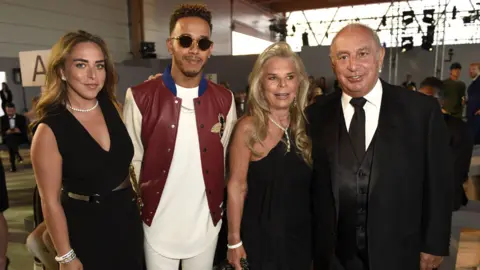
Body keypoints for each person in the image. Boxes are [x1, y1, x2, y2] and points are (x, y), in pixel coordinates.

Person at [307, 24, 453, 270]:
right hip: (334, 256)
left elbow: (439, 182)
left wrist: (434, 243)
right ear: (333, 64)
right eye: (343, 57)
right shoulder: (314, 115)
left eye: (362, 54)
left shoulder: (421, 111)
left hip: (399, 250)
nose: (353, 65)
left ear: (380, 56)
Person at [123, 4, 236, 269]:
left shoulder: (225, 99)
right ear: (170, 44)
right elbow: (133, 161)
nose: (194, 50)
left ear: (210, 49)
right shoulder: (139, 97)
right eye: (185, 40)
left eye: (203, 42)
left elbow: (224, 158)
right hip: (157, 224)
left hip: (206, 224)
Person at [30, 30, 144, 270]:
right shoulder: (50, 129)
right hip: (86, 228)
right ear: (62, 71)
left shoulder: (111, 106)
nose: (93, 76)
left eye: (99, 66)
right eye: (81, 65)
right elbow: (49, 202)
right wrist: (66, 257)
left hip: (127, 219)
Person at [226, 42, 313, 270]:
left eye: (290, 77)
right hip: (260, 240)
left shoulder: (308, 125)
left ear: (299, 82)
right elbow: (237, 185)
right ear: (260, 84)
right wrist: (234, 240)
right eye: (273, 78)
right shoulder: (248, 128)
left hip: (301, 241)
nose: (282, 85)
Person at [419, 77, 472, 211]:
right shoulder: (414, 125)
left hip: (440, 200)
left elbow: (454, 173)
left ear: (441, 101)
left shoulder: (454, 129)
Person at [1, 103, 28, 172]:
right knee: (10, 138)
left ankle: (13, 165)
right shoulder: (2, 119)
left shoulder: (21, 118)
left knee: (11, 141)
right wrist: (7, 132)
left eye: (11, 111)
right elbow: (1, 131)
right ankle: (17, 155)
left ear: (14, 110)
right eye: (8, 111)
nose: (9, 113)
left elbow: (25, 130)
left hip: (19, 137)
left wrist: (19, 131)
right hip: (8, 137)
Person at [466, 62, 480, 143]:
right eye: (470, 69)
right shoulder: (474, 82)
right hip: (472, 114)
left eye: (473, 69)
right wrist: (468, 101)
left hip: (477, 115)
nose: (471, 71)